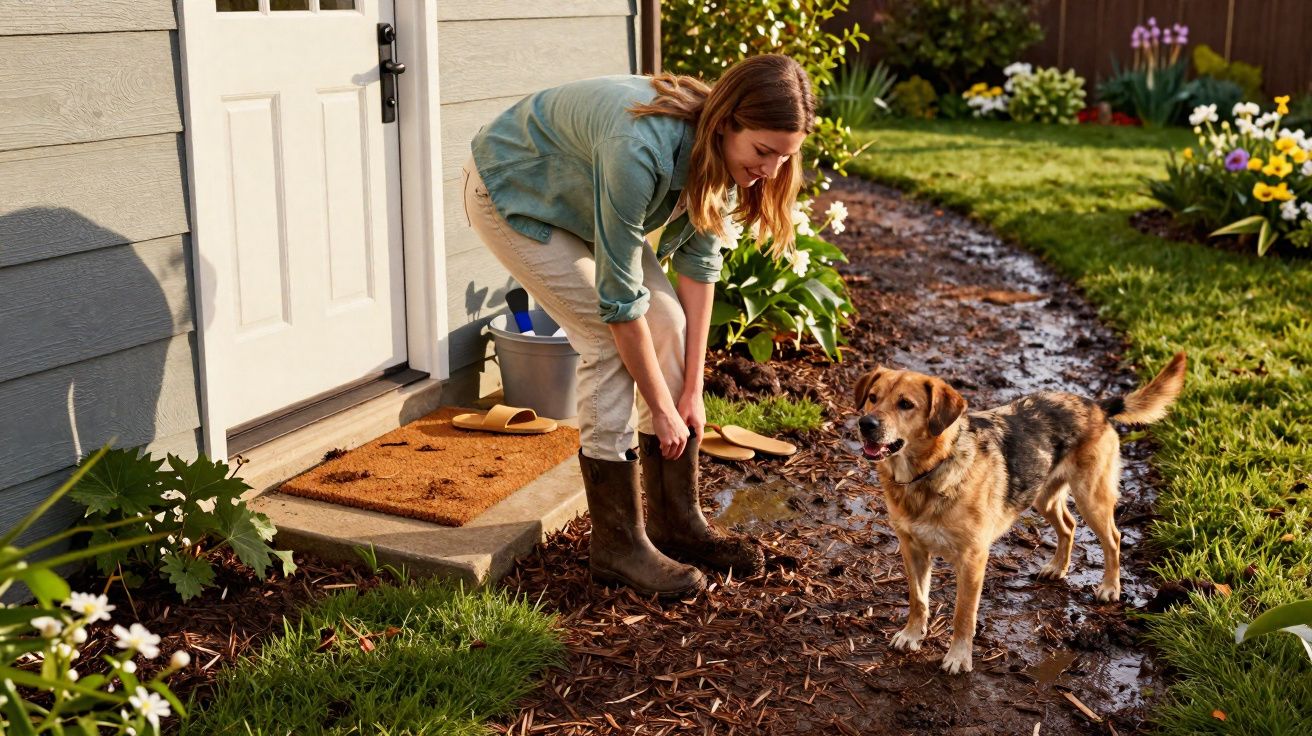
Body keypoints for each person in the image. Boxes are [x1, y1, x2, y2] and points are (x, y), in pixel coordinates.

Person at [462, 54, 816, 597]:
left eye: (784, 157)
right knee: (604, 339)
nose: (770, 170)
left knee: (667, 319)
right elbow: (621, 306)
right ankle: (617, 544)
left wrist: (691, 393)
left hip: (582, 198)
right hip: (515, 191)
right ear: (726, 123)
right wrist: (661, 408)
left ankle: (676, 521)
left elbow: (699, 271)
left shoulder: (721, 156)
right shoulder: (639, 149)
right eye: (763, 151)